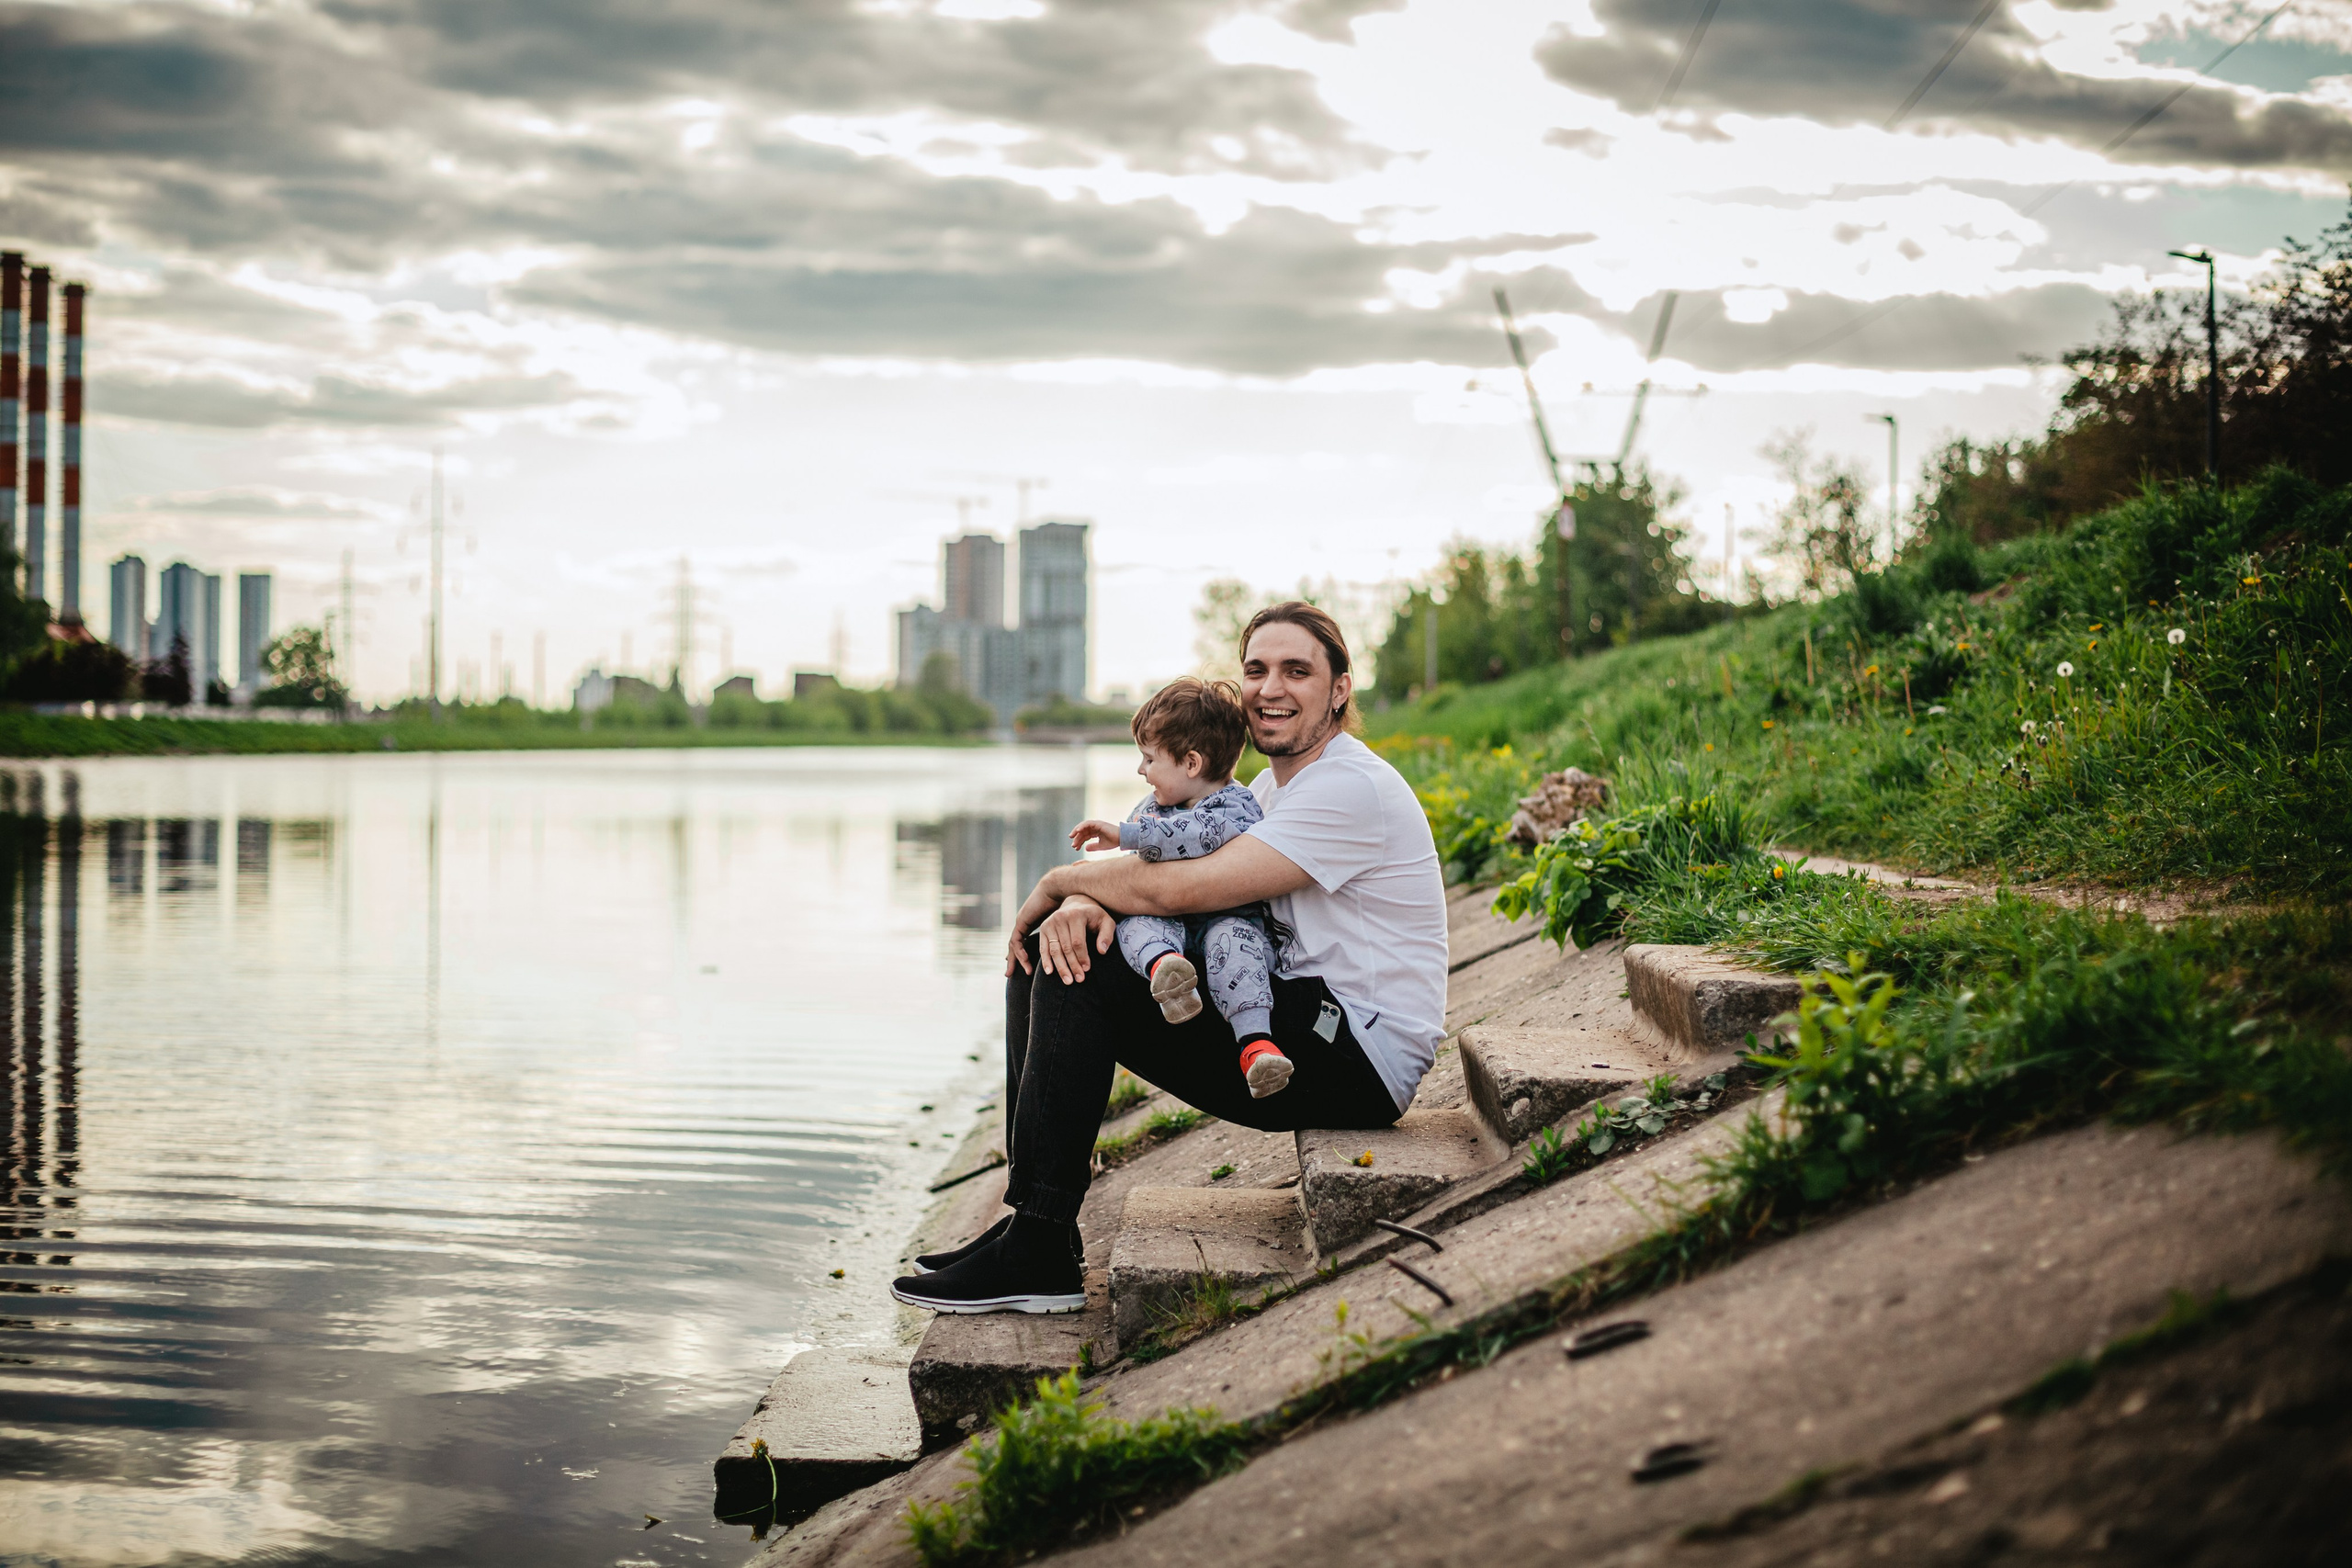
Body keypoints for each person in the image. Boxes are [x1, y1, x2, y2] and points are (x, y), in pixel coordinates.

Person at [891, 603, 1447, 1315]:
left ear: (1339, 688)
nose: (1270, 688)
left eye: (1297, 670)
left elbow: (1185, 886)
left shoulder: (1347, 788)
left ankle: (1038, 1242)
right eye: (1256, 669)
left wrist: (1064, 882)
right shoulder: (1274, 789)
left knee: (1077, 965)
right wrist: (1093, 900)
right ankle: (1034, 1222)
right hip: (1300, 1011)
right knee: (1053, 946)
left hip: (1355, 1055)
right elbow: (1171, 868)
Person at [1066, 675, 1294, 1100]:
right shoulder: (1153, 807)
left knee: (1237, 947)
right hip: (1174, 927)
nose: (1140, 770)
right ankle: (1166, 972)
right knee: (1137, 923)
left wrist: (1128, 835)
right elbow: (1134, 875)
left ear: (1191, 764)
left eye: (1149, 759)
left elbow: (1194, 835)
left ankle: (1255, 1045)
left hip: (1227, 923)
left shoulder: (1236, 805)